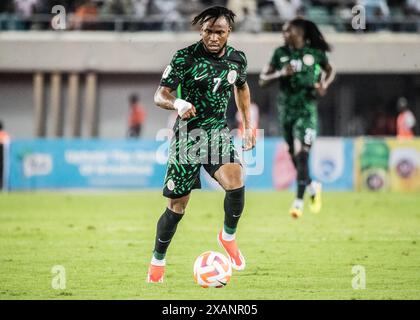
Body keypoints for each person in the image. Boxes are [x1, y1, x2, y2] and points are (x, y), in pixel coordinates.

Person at [147, 6, 255, 283]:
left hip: (217, 133)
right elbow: (160, 95)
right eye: (208, 31)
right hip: (187, 138)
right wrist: (177, 102)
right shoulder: (185, 57)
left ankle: (227, 237)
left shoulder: (237, 59)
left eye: (219, 32)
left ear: (229, 32)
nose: (213, 37)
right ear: (201, 31)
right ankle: (157, 260)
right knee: (178, 207)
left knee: (236, 178)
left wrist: (248, 124)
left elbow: (241, 87)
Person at [259, 18, 335, 219]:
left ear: (300, 32)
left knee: (302, 155)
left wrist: (324, 85)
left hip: (307, 111)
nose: (284, 34)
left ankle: (298, 202)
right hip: (286, 113)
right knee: (295, 156)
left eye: (287, 31)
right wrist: (280, 73)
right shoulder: (279, 54)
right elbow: (262, 80)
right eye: (283, 31)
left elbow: (330, 70)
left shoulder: (316, 54)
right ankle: (312, 187)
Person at [0, 120, 11, 190]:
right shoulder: (4, 135)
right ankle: (4, 187)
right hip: (3, 159)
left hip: (3, 159)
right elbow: (9, 145)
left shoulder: (4, 135)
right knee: (3, 174)